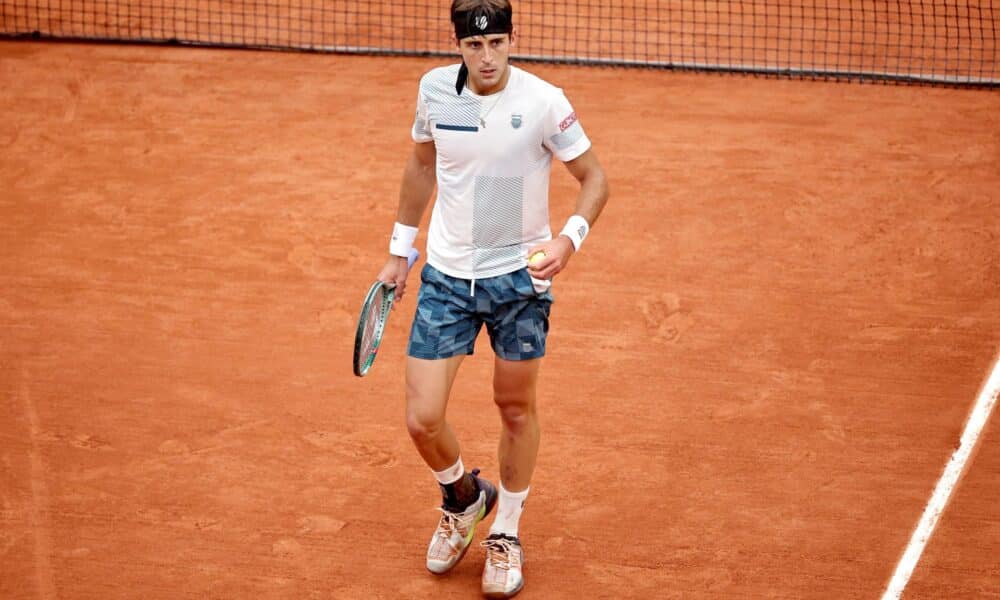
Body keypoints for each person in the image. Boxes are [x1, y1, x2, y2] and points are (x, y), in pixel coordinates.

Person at [375, 0, 609, 597]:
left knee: (514, 408)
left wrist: (568, 239)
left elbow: (595, 180)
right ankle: (463, 496)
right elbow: (422, 166)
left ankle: (505, 529)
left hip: (518, 282)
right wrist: (401, 252)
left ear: (511, 41)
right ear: (459, 46)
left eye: (497, 44)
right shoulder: (435, 92)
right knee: (422, 418)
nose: (487, 57)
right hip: (448, 279)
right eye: (475, 46)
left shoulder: (543, 102)